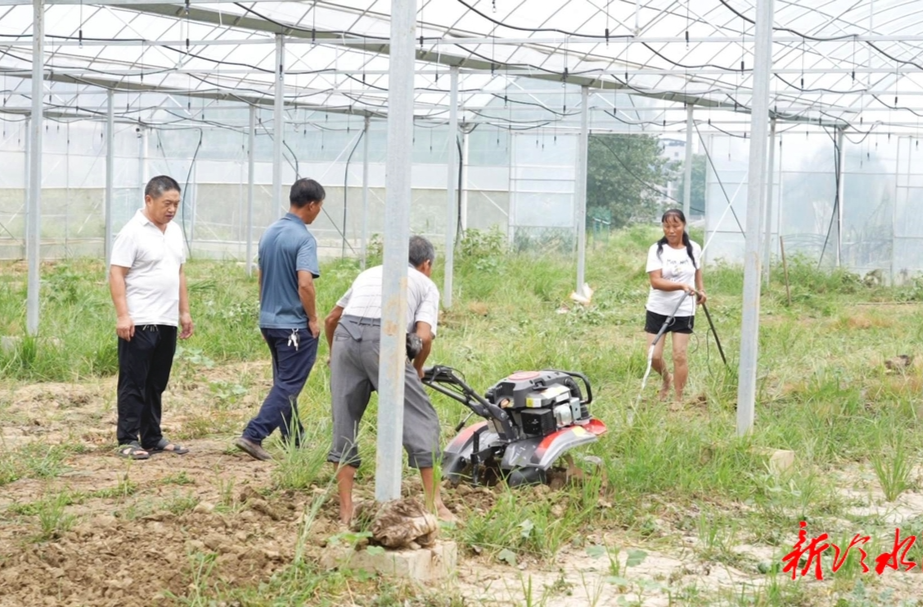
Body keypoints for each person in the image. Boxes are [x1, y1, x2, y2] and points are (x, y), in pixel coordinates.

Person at [324, 236, 454, 524]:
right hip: (384, 338)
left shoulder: (369, 273)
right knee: (422, 418)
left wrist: (335, 355)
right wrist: (417, 368)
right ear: (426, 264)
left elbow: (332, 319)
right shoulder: (424, 284)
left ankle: (346, 511)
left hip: (345, 336)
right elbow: (423, 336)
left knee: (345, 422)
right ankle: (435, 504)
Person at [235, 178, 326, 461]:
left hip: (270, 321)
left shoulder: (270, 233)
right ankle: (254, 434)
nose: (319, 211)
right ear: (311, 205)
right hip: (294, 326)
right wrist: (312, 318)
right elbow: (305, 284)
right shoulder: (303, 238)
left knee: (284, 381)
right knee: (289, 384)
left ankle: (294, 438)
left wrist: (266, 313)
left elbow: (261, 277)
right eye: (320, 206)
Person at [109, 175, 194, 460]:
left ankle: (152, 436)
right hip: (140, 318)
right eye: (166, 203)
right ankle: (127, 439)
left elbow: (179, 271)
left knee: (156, 382)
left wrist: (184, 312)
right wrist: (123, 315)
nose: (171, 209)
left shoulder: (175, 231)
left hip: (166, 319)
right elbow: (117, 273)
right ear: (149, 200)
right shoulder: (132, 232)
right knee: (134, 381)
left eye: (176, 204)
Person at [644, 208, 706, 404]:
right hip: (658, 308)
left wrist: (701, 290)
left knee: (679, 355)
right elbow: (656, 281)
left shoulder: (694, 248)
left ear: (683, 225)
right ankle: (666, 379)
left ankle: (678, 399)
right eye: (666, 226)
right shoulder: (657, 249)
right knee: (654, 356)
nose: (670, 230)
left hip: (683, 310)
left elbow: (697, 271)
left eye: (675, 226)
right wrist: (680, 285)